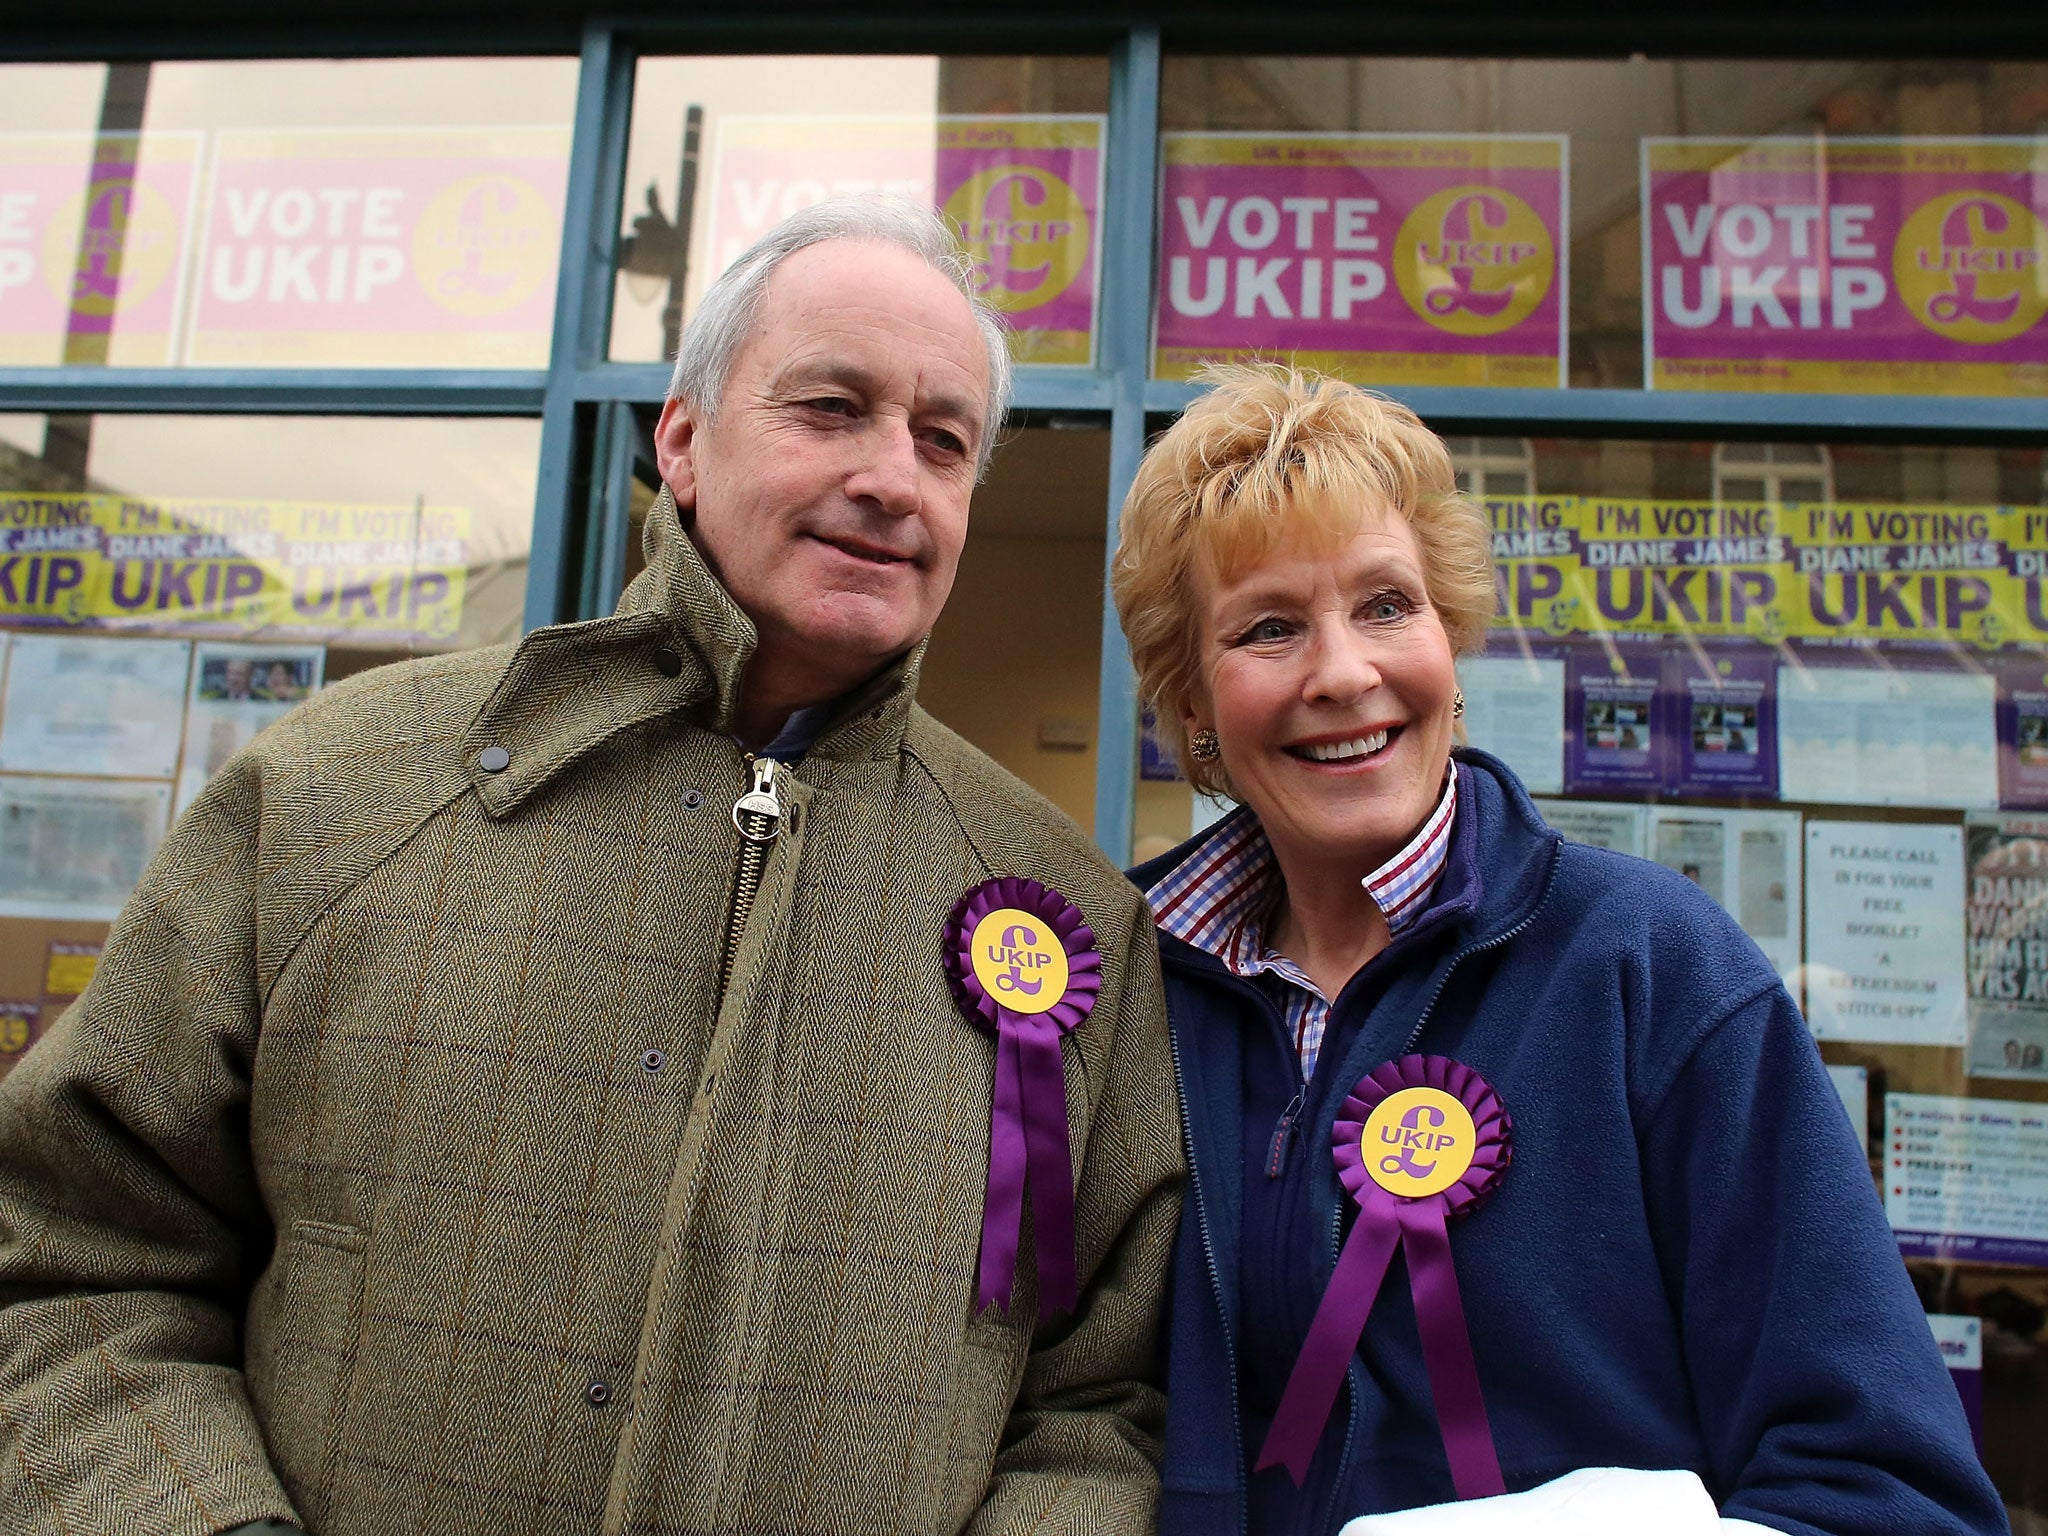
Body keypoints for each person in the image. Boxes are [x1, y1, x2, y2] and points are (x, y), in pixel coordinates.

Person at [0, 199, 1182, 1536]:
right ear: (683, 438)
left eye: (943, 440)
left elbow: (1105, 1407)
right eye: (831, 408)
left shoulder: (1067, 916)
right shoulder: (338, 791)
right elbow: (68, 1262)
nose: (893, 478)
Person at [1111, 365, 2005, 1536]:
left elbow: (1894, 1493)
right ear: (1188, 704)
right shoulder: (1121, 990)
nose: (1342, 673)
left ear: (1450, 638)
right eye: (1269, 628)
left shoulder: (1653, 971)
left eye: (1386, 605)